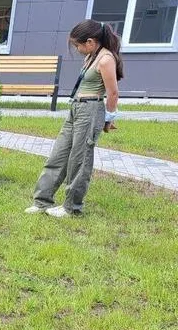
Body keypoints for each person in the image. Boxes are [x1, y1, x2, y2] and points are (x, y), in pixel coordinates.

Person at [25, 20, 123, 218]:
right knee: (58, 154)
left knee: (80, 160)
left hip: (90, 110)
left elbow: (113, 93)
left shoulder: (106, 59)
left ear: (90, 42)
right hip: (76, 108)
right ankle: (42, 201)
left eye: (78, 45)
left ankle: (71, 207)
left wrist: (109, 119)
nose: (77, 49)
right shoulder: (91, 56)